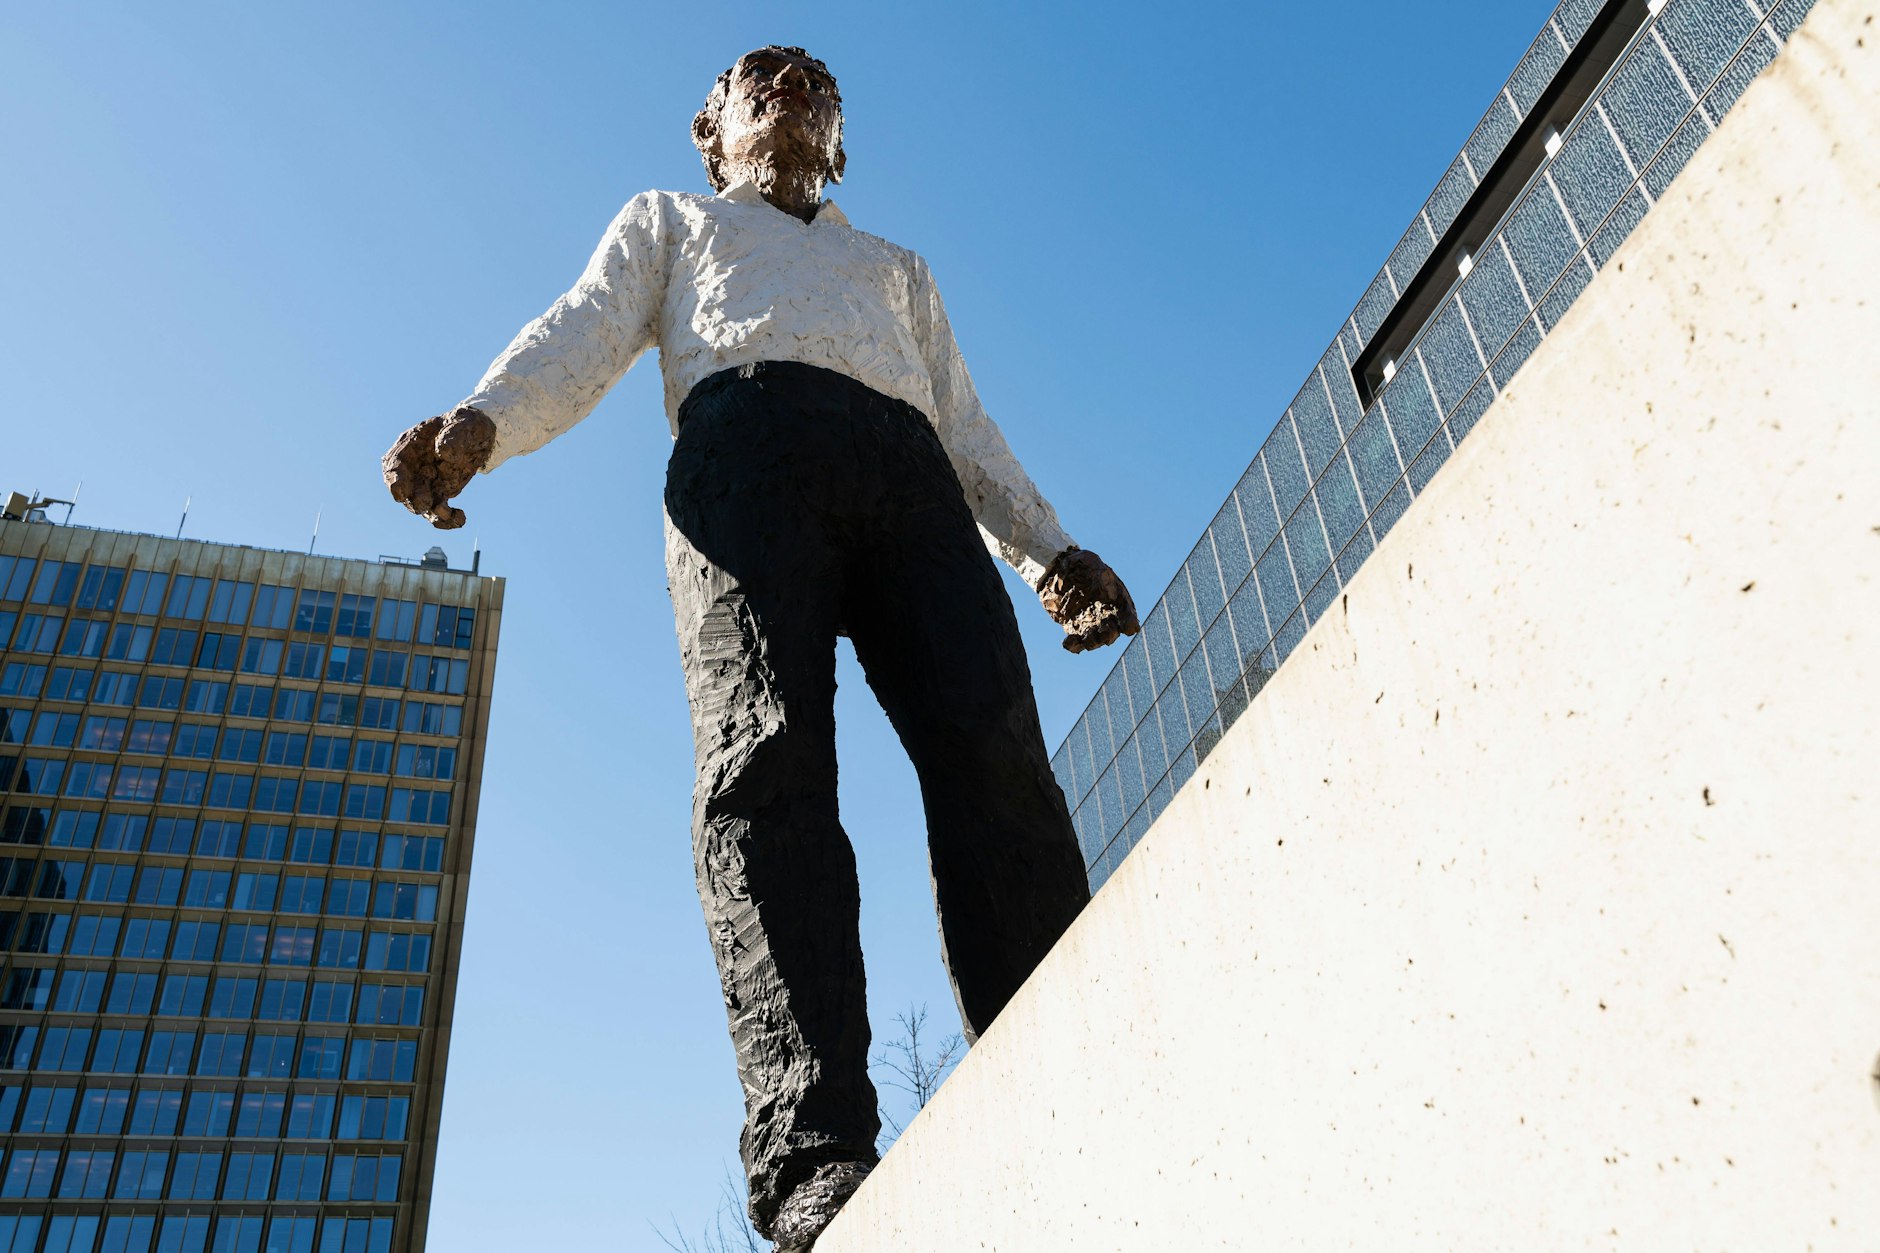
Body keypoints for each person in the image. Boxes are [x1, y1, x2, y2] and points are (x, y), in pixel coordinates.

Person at [381, 45, 1137, 1250]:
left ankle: (1069, 1052)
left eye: (812, 80)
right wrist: (484, 422)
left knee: (995, 754)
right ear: (709, 128)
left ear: (838, 136)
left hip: (910, 477)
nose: (785, 87)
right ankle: (814, 1150)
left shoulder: (896, 270)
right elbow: (583, 330)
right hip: (742, 456)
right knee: (764, 769)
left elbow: (961, 421)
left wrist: (1045, 550)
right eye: (756, 78)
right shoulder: (671, 221)